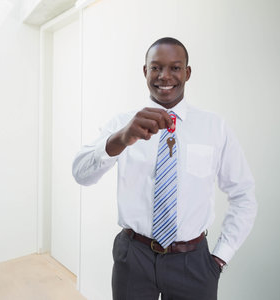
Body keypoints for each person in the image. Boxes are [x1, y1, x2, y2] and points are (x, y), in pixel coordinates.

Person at [72, 37, 257, 300]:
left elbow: (244, 195)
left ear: (187, 73)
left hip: (193, 262)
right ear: (145, 71)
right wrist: (120, 139)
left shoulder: (215, 127)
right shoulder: (123, 123)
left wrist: (218, 258)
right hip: (134, 256)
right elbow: (81, 174)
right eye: (156, 67)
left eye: (175, 67)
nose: (164, 76)